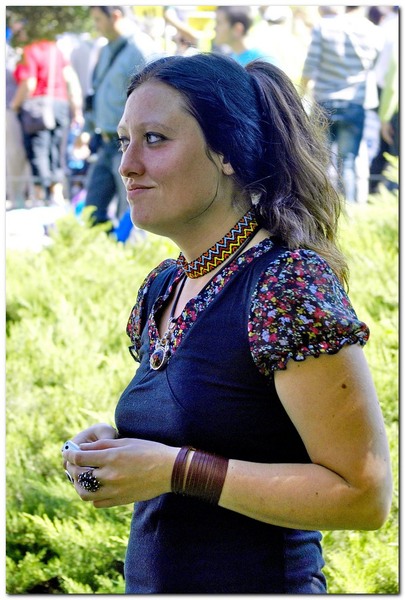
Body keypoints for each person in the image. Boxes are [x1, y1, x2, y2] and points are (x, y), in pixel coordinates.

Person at [62, 53, 392, 594]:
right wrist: (115, 450)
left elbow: (364, 495)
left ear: (227, 154)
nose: (127, 165)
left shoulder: (286, 285)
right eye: (124, 141)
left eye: (154, 139)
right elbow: (219, 427)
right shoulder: (164, 286)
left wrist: (175, 469)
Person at [79, 6, 160, 226]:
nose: (95, 26)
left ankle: (128, 247)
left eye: (98, 19)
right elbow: (97, 92)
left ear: (115, 16)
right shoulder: (107, 49)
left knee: (133, 215)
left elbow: (158, 99)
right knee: (92, 212)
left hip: (130, 146)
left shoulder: (142, 48)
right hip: (105, 142)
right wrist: (87, 129)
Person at [300, 6, 384, 203]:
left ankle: (320, 206)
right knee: (349, 162)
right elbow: (375, 66)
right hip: (355, 103)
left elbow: (309, 66)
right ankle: (350, 209)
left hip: (324, 102)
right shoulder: (373, 31)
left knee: (320, 160)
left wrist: (300, 96)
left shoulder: (324, 27)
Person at [10, 32, 83, 206]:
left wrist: (15, 105)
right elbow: (70, 80)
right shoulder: (56, 50)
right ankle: (57, 193)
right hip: (60, 105)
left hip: (37, 108)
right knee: (56, 150)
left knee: (38, 151)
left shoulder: (31, 50)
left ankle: (41, 195)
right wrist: (77, 110)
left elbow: (29, 83)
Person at [214, 5, 279, 66]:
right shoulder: (232, 59)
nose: (215, 28)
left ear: (237, 29)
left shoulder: (263, 61)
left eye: (219, 23)